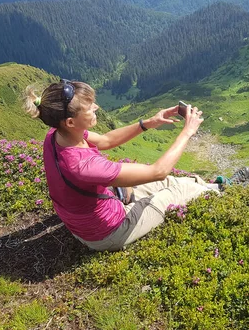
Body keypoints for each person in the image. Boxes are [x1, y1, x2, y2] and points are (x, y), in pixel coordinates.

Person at [24, 79, 217, 251]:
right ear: (71, 122)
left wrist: (149, 123)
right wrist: (188, 132)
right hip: (109, 232)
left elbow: (106, 140)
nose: (96, 107)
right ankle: (220, 192)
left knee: (170, 182)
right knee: (177, 190)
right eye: (89, 107)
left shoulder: (58, 134)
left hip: (91, 216)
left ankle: (210, 186)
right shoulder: (83, 165)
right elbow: (158, 171)